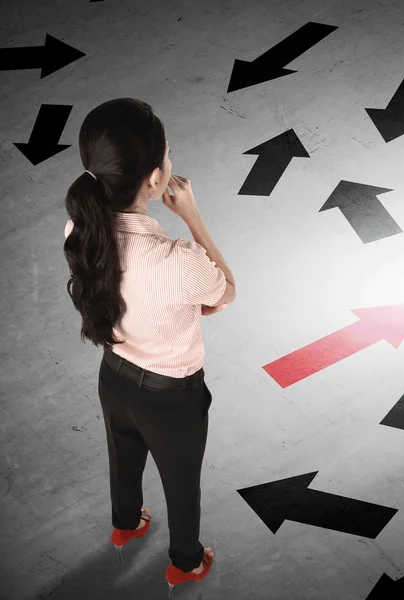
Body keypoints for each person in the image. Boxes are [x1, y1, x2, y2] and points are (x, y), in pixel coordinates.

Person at [63, 98, 236, 598]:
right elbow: (224, 290)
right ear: (156, 179)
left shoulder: (79, 228)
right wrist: (194, 218)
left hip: (113, 375)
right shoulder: (175, 256)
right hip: (171, 396)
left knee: (123, 456)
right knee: (182, 485)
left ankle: (125, 523)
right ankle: (185, 563)